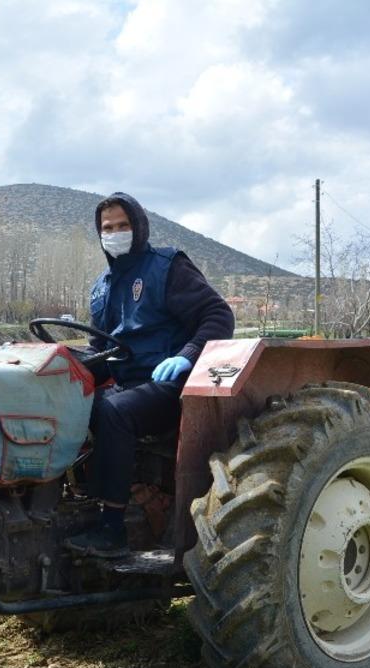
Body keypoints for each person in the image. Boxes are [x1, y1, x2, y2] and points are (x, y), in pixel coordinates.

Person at [65, 192, 234, 558]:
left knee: (115, 412)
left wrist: (187, 356)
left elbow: (218, 316)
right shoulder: (102, 287)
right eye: (107, 228)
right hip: (126, 383)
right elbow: (99, 347)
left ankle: (112, 527)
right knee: (69, 407)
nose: (115, 233)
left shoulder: (167, 267)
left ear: (139, 227)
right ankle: (71, 505)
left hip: (170, 383)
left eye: (123, 225)